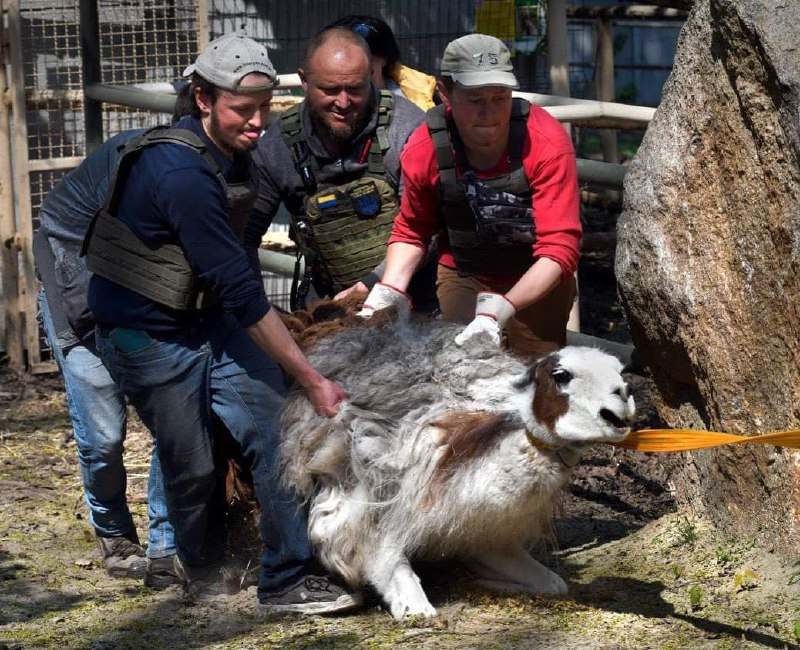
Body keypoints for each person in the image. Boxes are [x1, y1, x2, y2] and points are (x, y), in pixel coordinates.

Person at [83, 32, 360, 614]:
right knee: (192, 460)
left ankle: (285, 578)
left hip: (207, 319)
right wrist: (310, 377)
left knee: (274, 430)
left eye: (265, 107)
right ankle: (202, 568)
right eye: (244, 109)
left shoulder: (232, 154)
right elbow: (240, 286)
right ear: (204, 99)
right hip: (147, 332)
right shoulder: (179, 172)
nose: (259, 122)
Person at [360, 34, 581, 359]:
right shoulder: (426, 148)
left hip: (537, 277)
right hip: (466, 273)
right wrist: (389, 291)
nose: (489, 112)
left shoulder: (546, 142)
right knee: (463, 368)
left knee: (535, 377)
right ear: (445, 93)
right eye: (475, 99)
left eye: (500, 97)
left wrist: (502, 308)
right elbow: (413, 229)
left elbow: (560, 247)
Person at [33, 133, 179, 588]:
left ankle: (165, 546)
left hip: (150, 306)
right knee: (102, 438)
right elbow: (52, 244)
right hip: (82, 310)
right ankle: (114, 533)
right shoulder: (128, 168)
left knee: (173, 426)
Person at [246, 26, 435, 312]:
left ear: (371, 77)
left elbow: (427, 227)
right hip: (329, 305)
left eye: (355, 89)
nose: (343, 103)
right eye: (330, 90)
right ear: (304, 81)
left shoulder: (408, 129)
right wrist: (256, 312)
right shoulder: (277, 147)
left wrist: (371, 285)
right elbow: (244, 236)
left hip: (413, 299)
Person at [329, 15, 437, 111]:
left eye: (364, 55)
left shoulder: (417, 103)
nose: (349, 64)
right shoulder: (319, 101)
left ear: (384, 58)